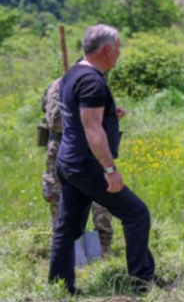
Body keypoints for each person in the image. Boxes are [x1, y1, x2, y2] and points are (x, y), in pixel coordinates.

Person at [48, 24, 161, 295]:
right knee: (136, 213)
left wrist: (110, 114)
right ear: (107, 49)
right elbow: (91, 129)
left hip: (67, 161)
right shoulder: (92, 82)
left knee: (68, 226)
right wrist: (110, 169)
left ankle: (60, 287)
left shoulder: (74, 73)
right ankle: (142, 282)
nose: (120, 53)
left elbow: (79, 115)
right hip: (87, 165)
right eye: (119, 48)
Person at [41, 77, 114, 257]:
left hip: (60, 147)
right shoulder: (88, 85)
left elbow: (45, 111)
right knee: (98, 193)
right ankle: (100, 247)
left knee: (61, 193)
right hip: (82, 146)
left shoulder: (54, 85)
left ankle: (68, 246)